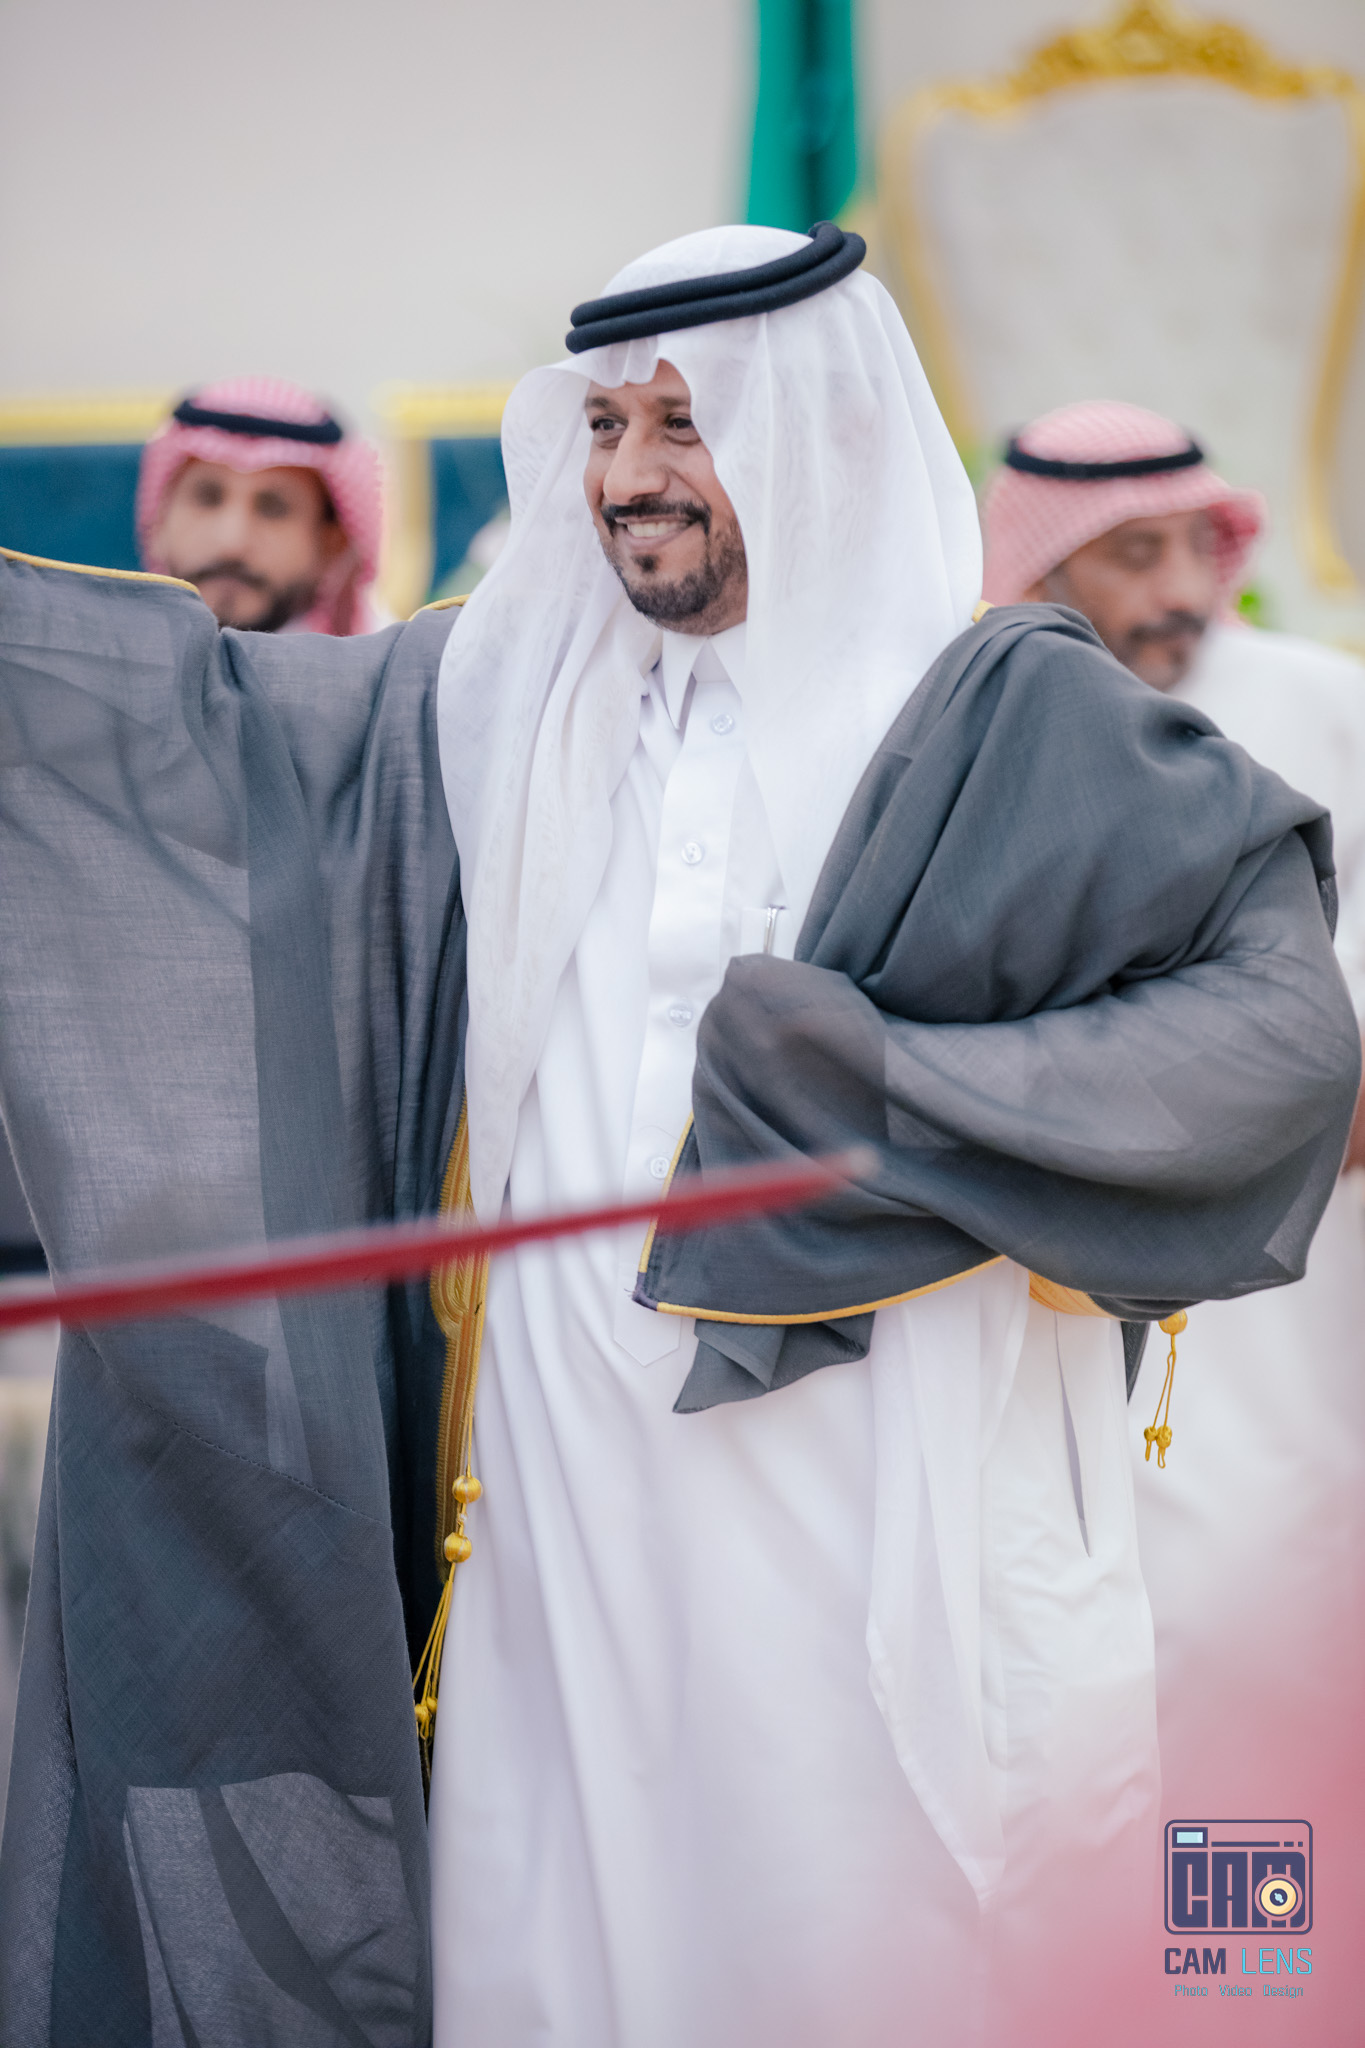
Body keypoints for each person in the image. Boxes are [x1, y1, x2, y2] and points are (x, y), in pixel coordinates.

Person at [0, 232, 1357, 2048]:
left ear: (817, 433)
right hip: (557, 1499)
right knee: (558, 1928)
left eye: (685, 423)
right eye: (604, 425)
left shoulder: (1003, 713)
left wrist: (892, 1100)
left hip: (875, 1484)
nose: (630, 473)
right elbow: (196, 732)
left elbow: (1275, 1037)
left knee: (852, 1933)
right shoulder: (494, 703)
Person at [984, 400, 1365, 2032]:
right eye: (1130, 555)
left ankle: (1245, 1999)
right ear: (1036, 568)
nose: (1181, 591)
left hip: (1268, 1331)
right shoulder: (982, 725)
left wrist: (1173, 1136)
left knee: (1240, 1651)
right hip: (1022, 1320)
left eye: (1196, 545)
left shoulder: (1324, 710)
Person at [136, 374, 385, 634]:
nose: (231, 544)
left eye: (273, 510)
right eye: (207, 499)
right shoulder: (114, 652)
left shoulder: (386, 657)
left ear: (332, 544)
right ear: (160, 520)